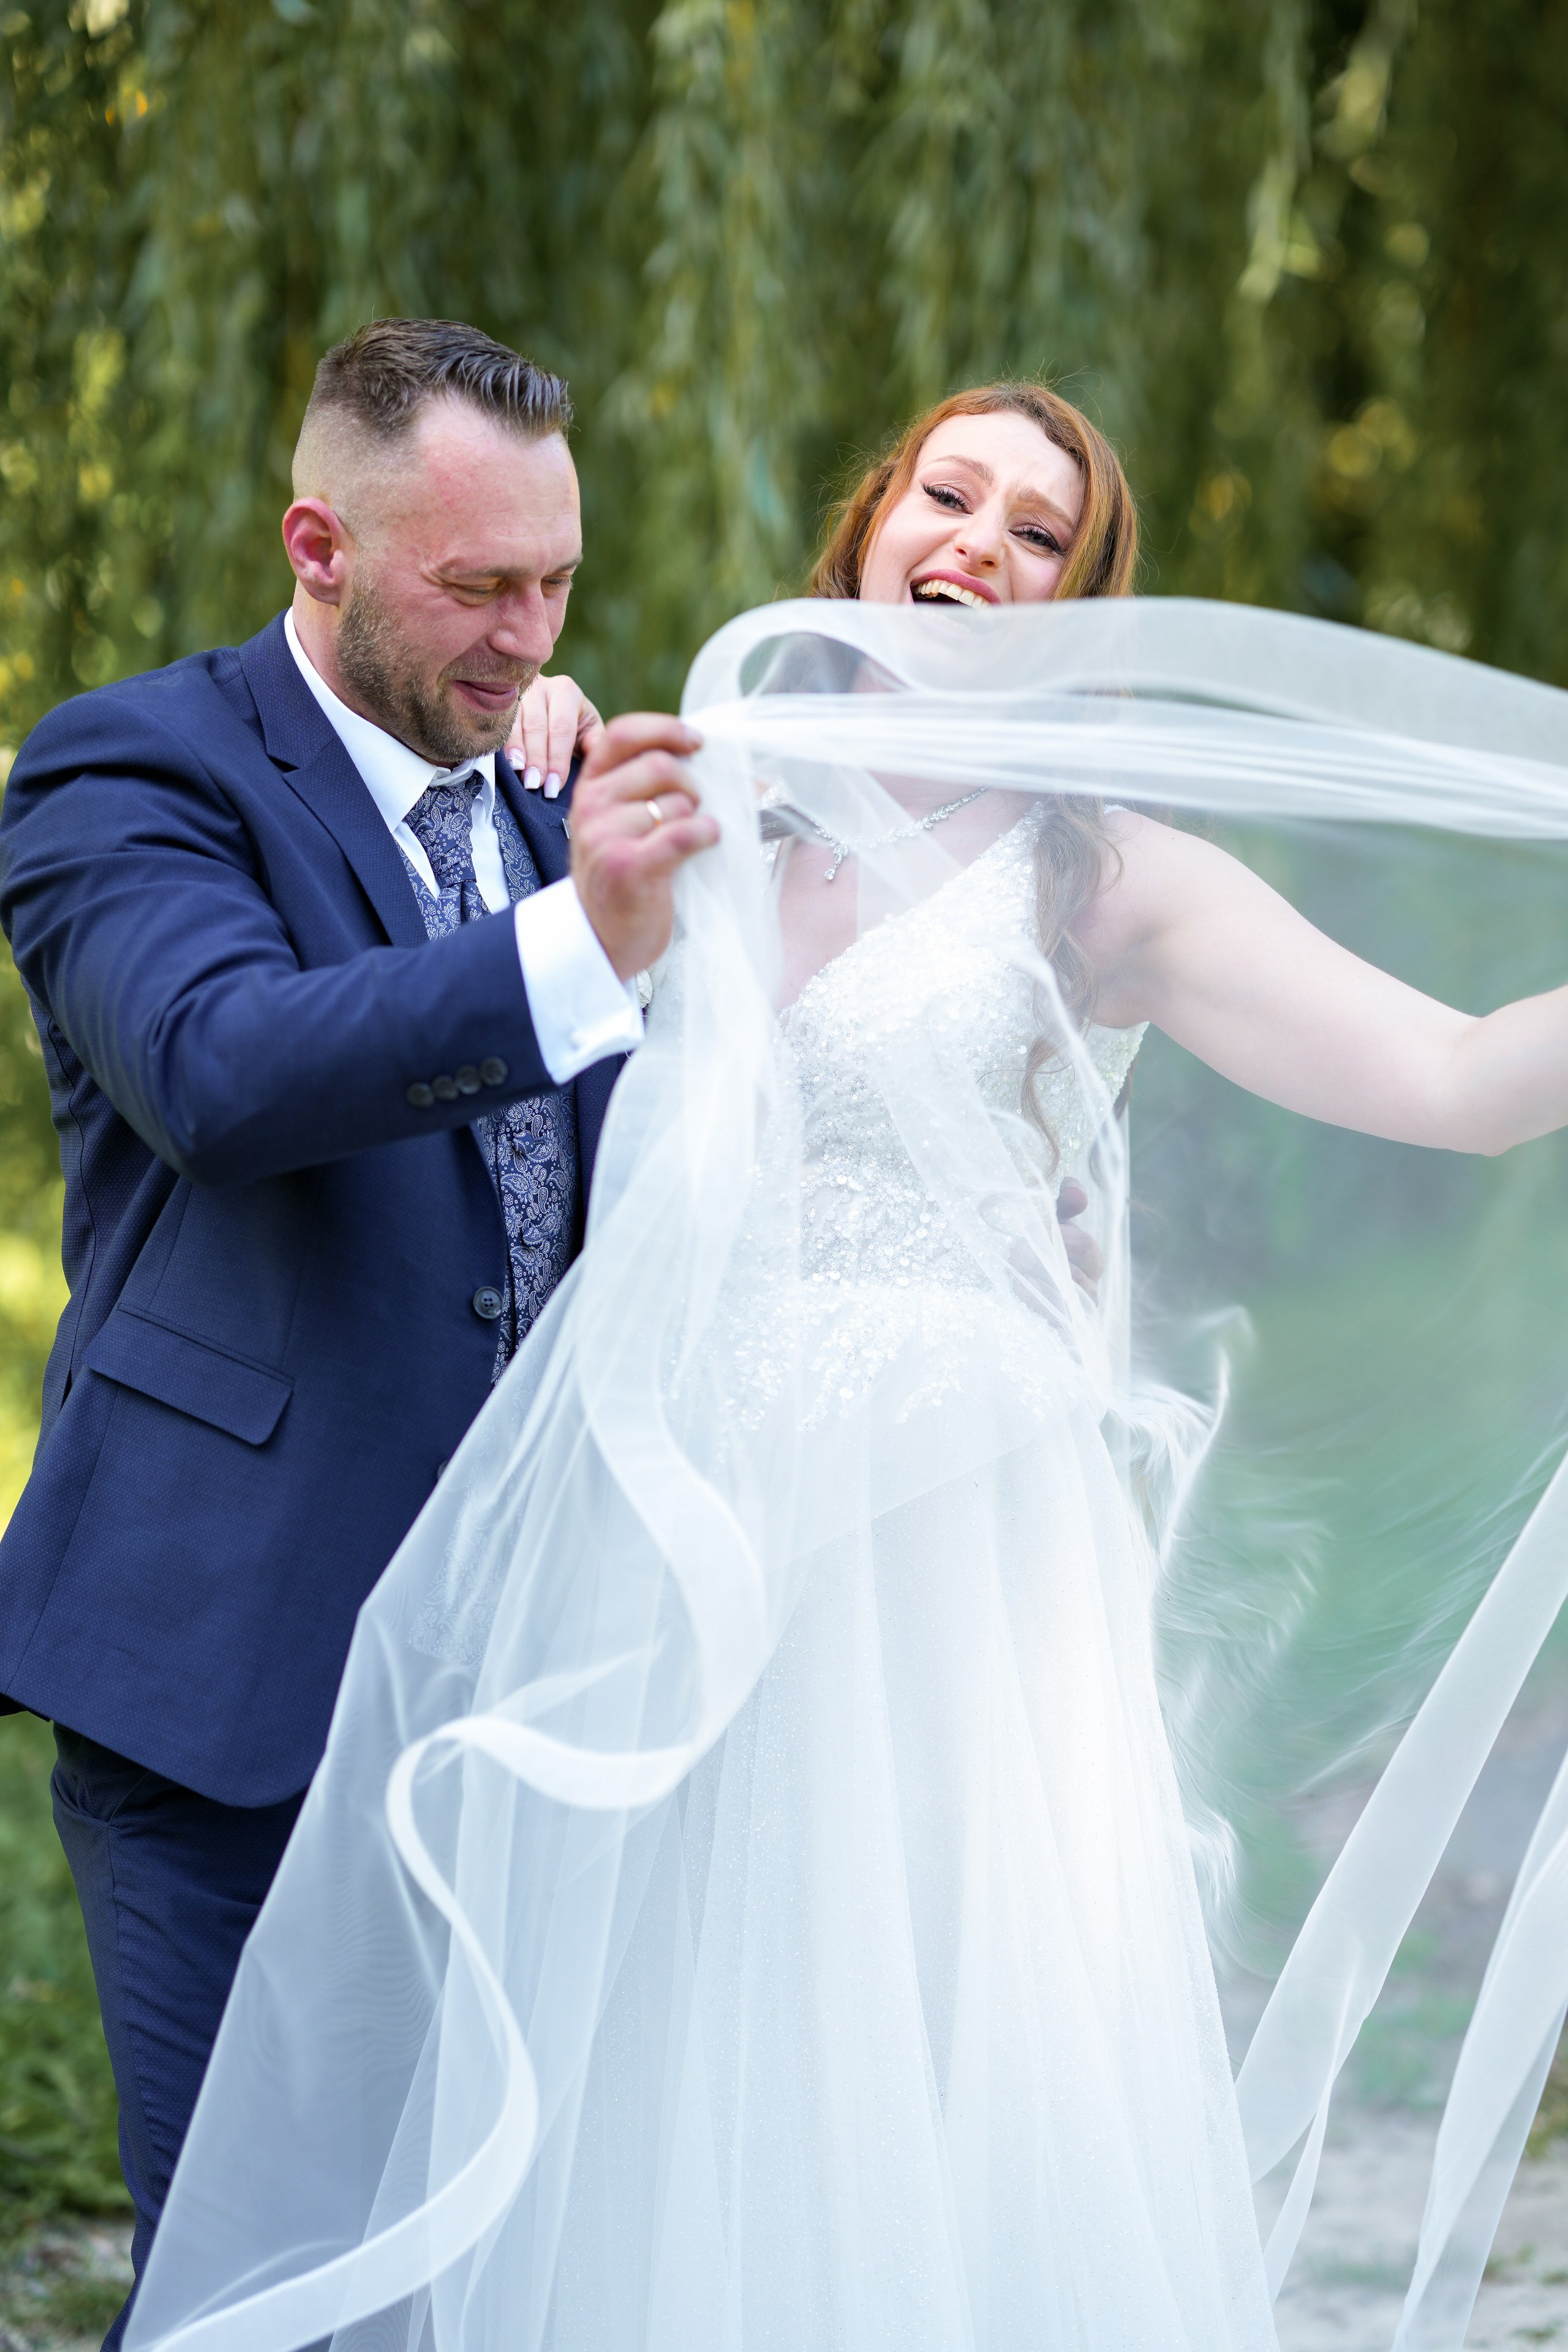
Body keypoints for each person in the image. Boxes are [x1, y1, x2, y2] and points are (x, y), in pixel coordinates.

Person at [115, 387, 1568, 2352]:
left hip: (951, 1558)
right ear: (874, 522)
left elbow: (1461, 1082)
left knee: (938, 2053)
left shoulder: (1105, 873)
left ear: (1082, 600)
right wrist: (539, 735)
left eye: (1040, 531)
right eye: (948, 492)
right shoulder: (694, 786)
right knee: (679, 2051)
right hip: (679, 1524)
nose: (980, 538)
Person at [0, 316, 717, 2343]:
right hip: (238, 1682)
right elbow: (222, 1066)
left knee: (497, 2279)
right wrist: (577, 939)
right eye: (474, 584)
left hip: (534, 1699)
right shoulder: (129, 764)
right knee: (265, 2295)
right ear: (318, 541)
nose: (526, 630)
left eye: (555, 580)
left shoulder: (548, 791)